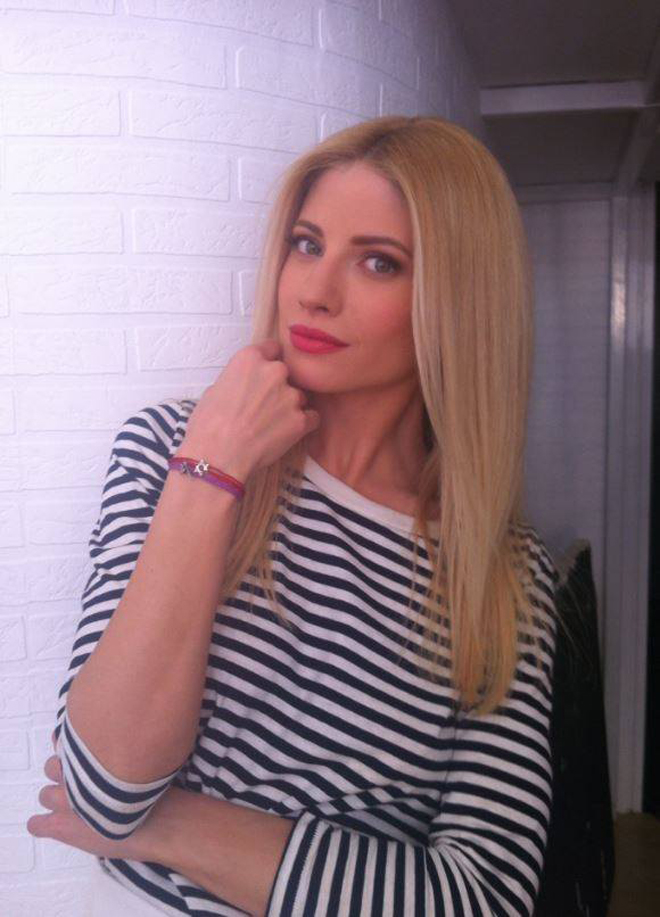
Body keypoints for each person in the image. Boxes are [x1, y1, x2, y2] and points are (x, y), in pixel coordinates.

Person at [28, 115, 558, 917]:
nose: (314, 290)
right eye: (306, 244)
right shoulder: (173, 448)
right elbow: (106, 783)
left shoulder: (502, 573)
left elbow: (481, 897)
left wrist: (164, 825)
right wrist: (212, 472)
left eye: (378, 261)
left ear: (460, 301)